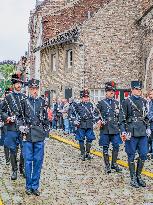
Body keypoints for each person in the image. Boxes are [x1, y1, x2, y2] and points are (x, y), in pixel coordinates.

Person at [20, 79, 49, 196]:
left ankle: (35, 186)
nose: (34, 91)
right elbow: (19, 116)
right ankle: (28, 185)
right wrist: (21, 126)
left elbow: (46, 119)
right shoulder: (24, 101)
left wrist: (47, 135)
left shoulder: (43, 102)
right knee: (28, 162)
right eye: (32, 89)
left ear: (38, 89)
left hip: (39, 135)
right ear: (29, 89)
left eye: (36, 89)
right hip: (27, 134)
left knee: (38, 162)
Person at [120, 81, 148, 188]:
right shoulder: (126, 102)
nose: (138, 91)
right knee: (131, 154)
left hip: (142, 131)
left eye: (140, 89)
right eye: (136, 89)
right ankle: (132, 178)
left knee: (144, 154)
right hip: (130, 132)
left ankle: (138, 176)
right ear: (132, 89)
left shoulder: (144, 101)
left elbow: (146, 117)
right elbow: (122, 119)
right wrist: (123, 131)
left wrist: (148, 128)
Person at [0, 73, 26, 180]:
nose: (19, 85)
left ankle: (21, 168)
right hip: (11, 128)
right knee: (13, 150)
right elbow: (2, 111)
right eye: (17, 83)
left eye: (20, 83)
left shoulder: (25, 97)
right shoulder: (8, 98)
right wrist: (8, 118)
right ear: (14, 84)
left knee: (24, 149)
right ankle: (14, 170)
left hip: (22, 128)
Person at [96, 82, 122, 174]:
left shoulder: (117, 103)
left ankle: (114, 164)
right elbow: (95, 113)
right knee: (105, 148)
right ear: (106, 92)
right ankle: (107, 165)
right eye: (109, 91)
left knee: (116, 146)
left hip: (115, 129)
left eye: (113, 91)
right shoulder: (101, 103)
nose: (111, 93)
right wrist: (98, 120)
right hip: (105, 129)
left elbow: (120, 116)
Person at [75, 89, 95, 161]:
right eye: (84, 97)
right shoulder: (78, 105)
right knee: (81, 139)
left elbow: (94, 114)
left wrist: (94, 121)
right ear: (81, 98)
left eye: (87, 97)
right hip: (81, 125)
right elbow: (76, 114)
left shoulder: (91, 105)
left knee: (90, 138)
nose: (86, 98)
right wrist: (75, 121)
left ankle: (88, 153)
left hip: (89, 124)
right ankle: (82, 153)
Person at [0, 88, 13, 165]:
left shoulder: (14, 104)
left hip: (13, 125)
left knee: (13, 143)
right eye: (7, 94)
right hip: (5, 125)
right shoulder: (2, 103)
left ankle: (12, 157)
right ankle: (7, 158)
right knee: (5, 142)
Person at [147, 89, 153, 159]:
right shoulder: (151, 102)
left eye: (151, 94)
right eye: (149, 94)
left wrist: (150, 117)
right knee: (150, 138)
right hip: (151, 124)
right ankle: (151, 152)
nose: (150, 96)